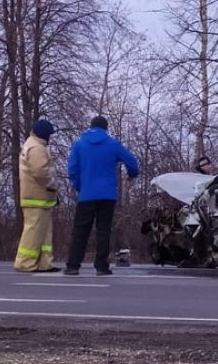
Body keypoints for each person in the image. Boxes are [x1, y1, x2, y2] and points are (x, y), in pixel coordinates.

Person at [65, 115, 139, 276]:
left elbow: (72, 170)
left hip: (86, 194)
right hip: (107, 194)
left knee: (80, 230)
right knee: (104, 229)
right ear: (105, 128)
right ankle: (101, 266)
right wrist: (132, 174)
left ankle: (73, 265)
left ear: (90, 127)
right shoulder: (112, 144)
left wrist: (80, 186)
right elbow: (132, 162)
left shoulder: (79, 144)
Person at [15, 118, 61, 273]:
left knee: (43, 233)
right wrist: (52, 184)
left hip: (40, 197)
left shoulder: (32, 145)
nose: (50, 138)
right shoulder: (37, 148)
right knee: (33, 232)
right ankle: (25, 263)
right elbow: (40, 171)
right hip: (36, 197)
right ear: (44, 134)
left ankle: (43, 262)